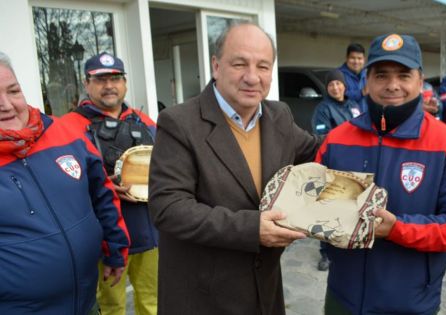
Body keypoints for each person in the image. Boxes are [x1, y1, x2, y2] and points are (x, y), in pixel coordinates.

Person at [148, 22, 322, 315]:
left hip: (264, 294)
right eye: (239, 63)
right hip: (203, 298)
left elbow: (317, 150)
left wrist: (367, 131)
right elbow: (168, 207)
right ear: (216, 66)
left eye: (263, 66)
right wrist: (252, 229)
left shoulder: (278, 115)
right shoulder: (179, 122)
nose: (252, 77)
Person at [316, 34, 446, 314]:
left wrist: (398, 229)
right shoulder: (336, 139)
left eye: (404, 75)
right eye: (381, 75)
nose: (392, 85)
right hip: (341, 298)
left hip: (409, 304)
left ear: (420, 82)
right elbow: (313, 206)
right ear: (366, 81)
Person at [0, 51, 129, 314]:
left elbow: (102, 193)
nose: (6, 104)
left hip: (85, 300)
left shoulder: (64, 132)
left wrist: (115, 248)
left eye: (13, 90)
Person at [60, 52, 158, 315]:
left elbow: (169, 165)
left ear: (124, 82)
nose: (109, 85)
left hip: (150, 234)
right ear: (86, 84)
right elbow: (57, 183)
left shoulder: (144, 121)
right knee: (110, 306)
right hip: (105, 240)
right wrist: (98, 189)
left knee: (154, 304)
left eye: (115, 78)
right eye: (100, 79)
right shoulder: (68, 127)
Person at [310, 69, 362, 271]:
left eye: (338, 83)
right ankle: (326, 253)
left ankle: (348, 244)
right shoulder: (323, 109)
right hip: (334, 164)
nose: (335, 87)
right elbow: (323, 137)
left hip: (356, 163)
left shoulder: (354, 106)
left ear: (344, 86)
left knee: (351, 208)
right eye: (331, 84)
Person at [338, 43, 368, 111]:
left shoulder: (368, 74)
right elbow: (339, 96)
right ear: (346, 58)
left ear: (364, 59)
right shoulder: (338, 75)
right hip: (346, 118)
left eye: (359, 58)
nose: (356, 62)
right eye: (353, 58)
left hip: (366, 118)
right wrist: (361, 92)